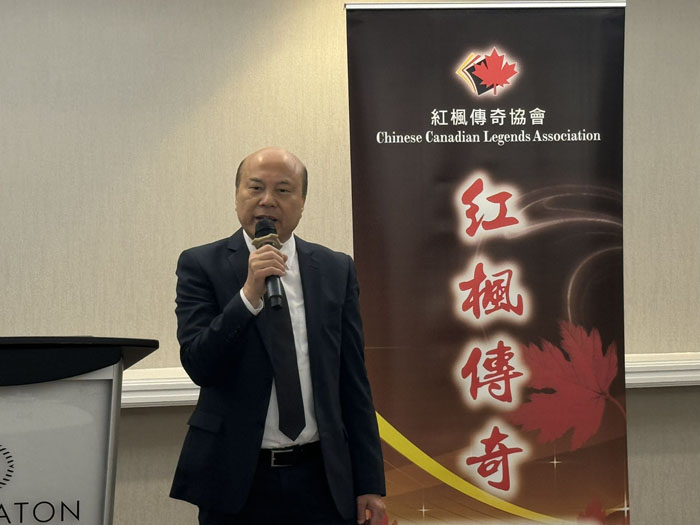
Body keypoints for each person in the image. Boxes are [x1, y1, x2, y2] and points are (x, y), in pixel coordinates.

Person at [170, 147, 386, 525]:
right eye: (255, 188)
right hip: (238, 480)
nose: (267, 200)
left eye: (283, 190)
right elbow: (199, 364)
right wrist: (247, 296)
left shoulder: (335, 269)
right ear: (237, 195)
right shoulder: (201, 265)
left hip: (321, 478)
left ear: (302, 203)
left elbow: (353, 382)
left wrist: (369, 482)